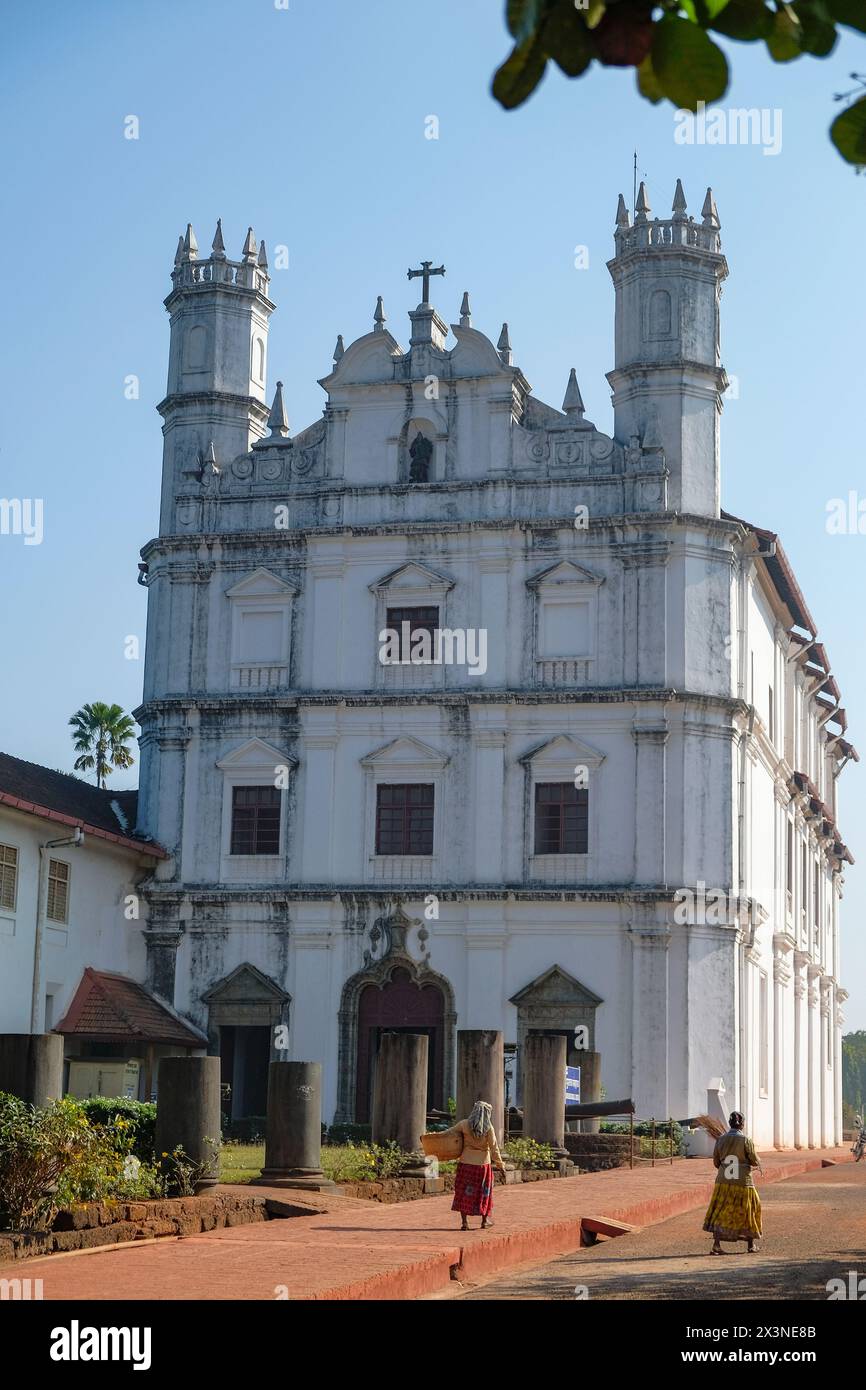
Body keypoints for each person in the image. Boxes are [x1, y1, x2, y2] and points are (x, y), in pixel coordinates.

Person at [702, 1110, 763, 1255]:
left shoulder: (720, 1139)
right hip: (743, 1182)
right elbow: (754, 1160)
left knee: (721, 1210)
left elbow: (716, 1162)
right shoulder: (746, 1140)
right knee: (749, 1210)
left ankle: (716, 1245)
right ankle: (750, 1245)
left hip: (723, 1181)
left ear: (730, 1124)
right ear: (742, 1124)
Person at [442, 1100, 506, 1231]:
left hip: (466, 1164)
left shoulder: (464, 1124)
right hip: (483, 1166)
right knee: (483, 1193)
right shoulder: (489, 1128)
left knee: (463, 1192)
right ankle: (484, 1220)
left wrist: (432, 1138)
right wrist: (501, 1165)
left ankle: (464, 1223)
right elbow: (494, 1148)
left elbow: (449, 1133)